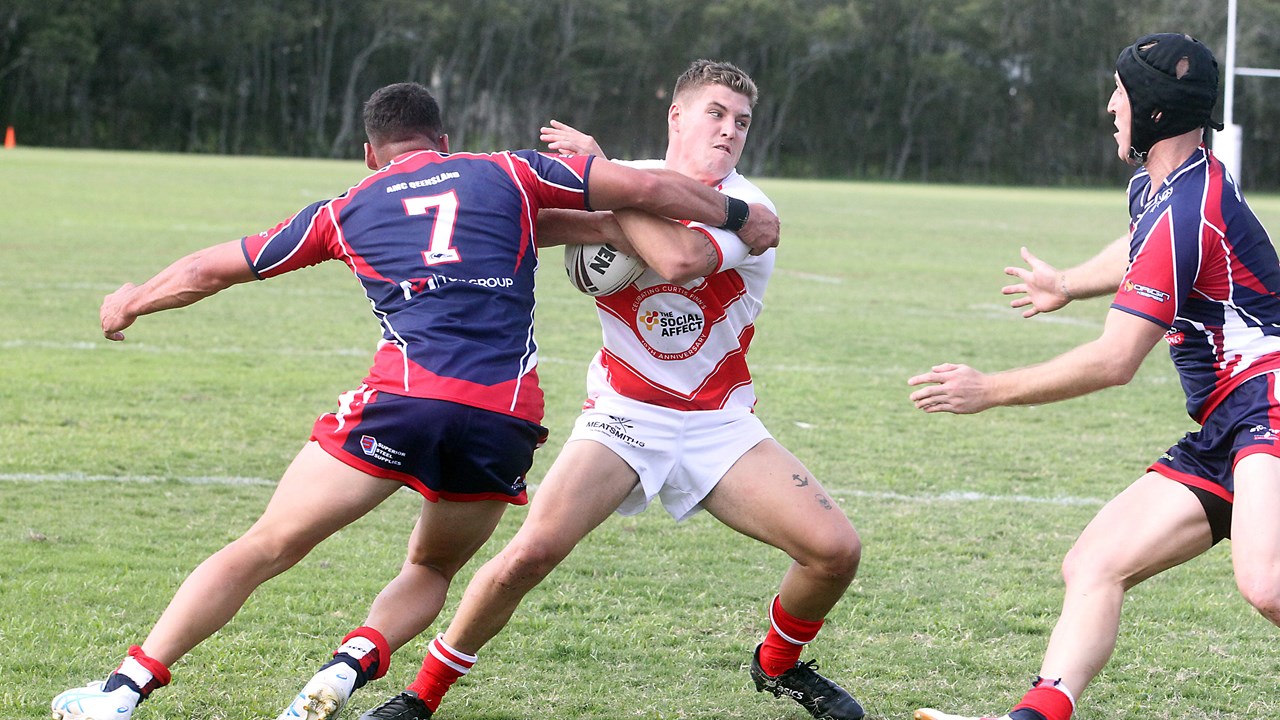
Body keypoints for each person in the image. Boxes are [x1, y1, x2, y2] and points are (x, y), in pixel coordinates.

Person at [49, 80, 780, 720]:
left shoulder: (345, 209)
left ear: (372, 154)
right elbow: (642, 192)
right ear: (445, 141)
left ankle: (122, 691)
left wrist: (131, 301)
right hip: (501, 420)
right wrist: (738, 216)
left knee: (268, 545)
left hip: (401, 401)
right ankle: (347, 664)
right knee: (431, 569)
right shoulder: (509, 174)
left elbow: (216, 268)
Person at [347, 59, 864, 720]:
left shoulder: (750, 208)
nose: (730, 129)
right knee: (526, 556)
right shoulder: (615, 181)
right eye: (716, 113)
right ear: (676, 115)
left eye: (742, 121)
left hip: (718, 422)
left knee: (835, 552)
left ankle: (778, 663)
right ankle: (419, 699)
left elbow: (679, 258)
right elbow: (525, 225)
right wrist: (597, 197)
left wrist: (603, 179)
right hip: (624, 417)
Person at [908, 34, 1280, 720]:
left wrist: (989, 389)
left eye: (1121, 92)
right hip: (1232, 419)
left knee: (1266, 582)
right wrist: (1066, 284)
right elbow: (1139, 244)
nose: (1112, 106)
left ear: (1155, 111)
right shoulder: (1163, 186)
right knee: (1094, 562)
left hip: (1272, 399)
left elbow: (1114, 361)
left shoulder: (1185, 212)